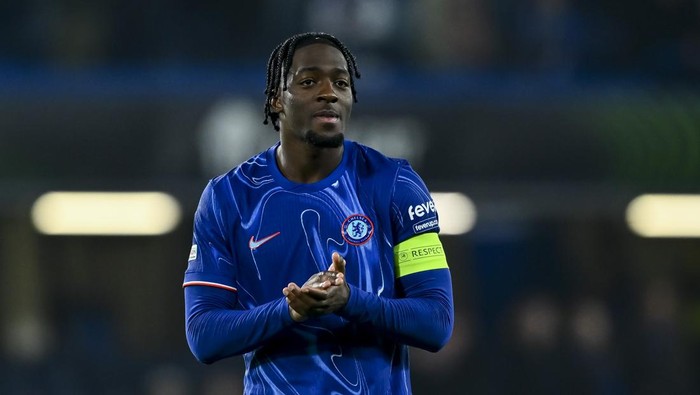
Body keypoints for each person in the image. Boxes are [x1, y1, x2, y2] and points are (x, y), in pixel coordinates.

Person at [183, 32, 454, 394]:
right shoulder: (227, 197)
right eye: (309, 81)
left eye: (341, 82)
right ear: (276, 99)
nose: (330, 92)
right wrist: (290, 311)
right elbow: (203, 335)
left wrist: (349, 301)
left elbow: (437, 322)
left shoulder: (395, 185)